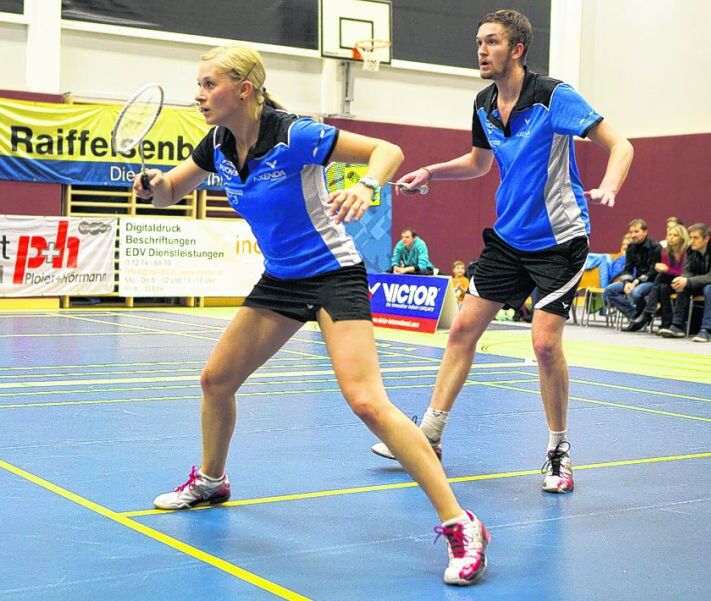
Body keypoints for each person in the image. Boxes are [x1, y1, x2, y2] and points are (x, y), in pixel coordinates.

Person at [134, 44, 489, 586]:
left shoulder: (293, 134)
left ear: (244, 90)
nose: (199, 95)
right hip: (281, 279)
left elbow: (388, 150)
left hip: (332, 275)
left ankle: (462, 523)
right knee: (216, 380)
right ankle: (211, 480)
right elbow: (169, 193)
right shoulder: (218, 144)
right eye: (198, 85)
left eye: (209, 84)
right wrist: (153, 186)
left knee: (367, 401)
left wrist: (367, 185)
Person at [371, 9, 634, 494]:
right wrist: (431, 171)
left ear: (517, 49)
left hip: (559, 240)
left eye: (491, 42)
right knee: (461, 331)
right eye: (478, 42)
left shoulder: (553, 97)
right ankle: (430, 434)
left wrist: (610, 185)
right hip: (509, 238)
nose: (481, 51)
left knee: (544, 344)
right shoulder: (484, 102)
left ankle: (558, 450)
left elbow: (620, 145)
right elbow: (478, 163)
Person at [623, 223, 689, 332]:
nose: (671, 237)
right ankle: (664, 322)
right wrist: (627, 282)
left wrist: (667, 270)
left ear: (682, 237)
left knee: (657, 281)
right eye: (669, 234)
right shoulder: (666, 251)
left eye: (675, 235)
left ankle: (647, 313)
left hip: (683, 282)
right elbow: (627, 268)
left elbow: (685, 274)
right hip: (666, 282)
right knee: (662, 286)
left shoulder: (687, 252)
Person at [658, 223, 711, 341]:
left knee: (709, 288)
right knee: (682, 285)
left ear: (707, 238)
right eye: (690, 237)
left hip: (708, 285)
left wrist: (688, 281)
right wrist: (682, 280)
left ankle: (707, 330)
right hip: (700, 283)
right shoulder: (690, 249)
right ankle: (677, 326)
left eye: (695, 238)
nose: (691, 241)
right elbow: (687, 271)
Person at [604, 219, 661, 320]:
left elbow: (653, 272)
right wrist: (627, 282)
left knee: (635, 293)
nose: (633, 235)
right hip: (635, 281)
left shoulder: (655, 247)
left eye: (636, 231)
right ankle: (636, 315)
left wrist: (635, 282)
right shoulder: (630, 247)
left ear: (645, 232)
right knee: (609, 290)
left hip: (651, 282)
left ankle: (643, 315)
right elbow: (628, 269)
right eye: (631, 232)